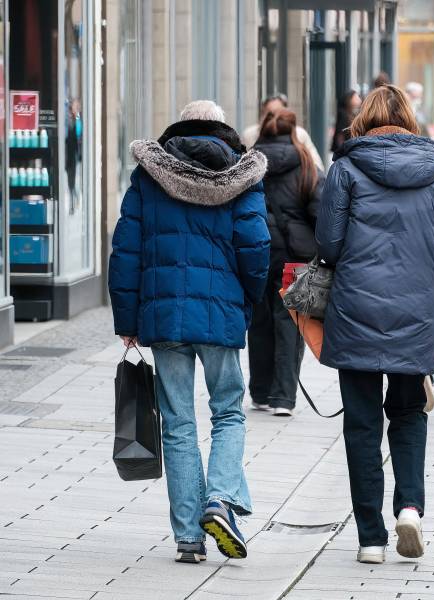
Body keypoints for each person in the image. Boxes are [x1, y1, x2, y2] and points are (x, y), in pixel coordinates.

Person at [108, 100, 270, 563]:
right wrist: (249, 300)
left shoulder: (148, 176)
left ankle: (187, 537)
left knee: (178, 424)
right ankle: (218, 500)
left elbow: (126, 249)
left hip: (163, 318)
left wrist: (127, 320)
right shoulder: (243, 176)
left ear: (179, 125)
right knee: (229, 413)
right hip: (220, 315)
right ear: (222, 129)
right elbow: (257, 247)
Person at [316, 84, 434, 564]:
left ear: (363, 119)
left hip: (356, 311)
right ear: (408, 118)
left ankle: (370, 539)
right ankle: (410, 507)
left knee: (362, 427)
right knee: (407, 415)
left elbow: (329, 245)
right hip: (417, 314)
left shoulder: (345, 170)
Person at [248, 109, 324, 415]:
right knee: (291, 323)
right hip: (296, 256)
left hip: (256, 252)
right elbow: (320, 212)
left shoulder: (248, 162)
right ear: (295, 131)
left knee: (259, 322)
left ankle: (260, 392)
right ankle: (283, 398)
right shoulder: (306, 162)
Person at [241, 94, 323, 169]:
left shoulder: (300, 134)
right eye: (270, 114)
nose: (275, 118)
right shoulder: (249, 135)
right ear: (262, 115)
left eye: (279, 113)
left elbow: (316, 164)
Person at [331, 90, 362, 155]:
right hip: (344, 151)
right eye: (356, 97)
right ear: (349, 99)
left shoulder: (352, 114)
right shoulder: (343, 115)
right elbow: (340, 135)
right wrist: (342, 151)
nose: (359, 100)